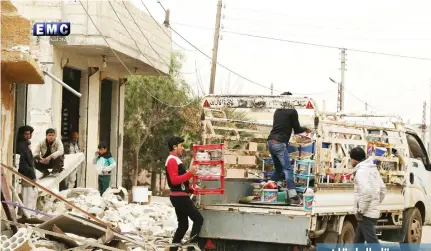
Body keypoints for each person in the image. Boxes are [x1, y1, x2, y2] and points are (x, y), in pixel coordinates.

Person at [267, 91, 311, 205]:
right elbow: (296, 129)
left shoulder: (277, 111)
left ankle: (267, 189)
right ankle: (293, 196)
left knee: (278, 169)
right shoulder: (292, 111)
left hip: (271, 142)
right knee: (288, 169)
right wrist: (306, 129)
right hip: (279, 143)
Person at [165, 136, 202, 251]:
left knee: (183, 225)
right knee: (198, 219)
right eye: (181, 146)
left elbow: (182, 183)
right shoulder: (172, 159)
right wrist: (190, 173)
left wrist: (193, 190)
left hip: (179, 196)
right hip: (180, 197)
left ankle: (173, 249)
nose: (183, 148)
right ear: (174, 147)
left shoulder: (176, 159)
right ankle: (191, 248)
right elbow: (174, 180)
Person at [350, 146, 387, 244]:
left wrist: (361, 210)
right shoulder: (372, 169)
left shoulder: (361, 171)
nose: (350, 161)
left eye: (351, 159)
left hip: (366, 214)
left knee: (373, 242)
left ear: (355, 160)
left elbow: (367, 192)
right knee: (358, 241)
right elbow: (383, 189)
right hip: (370, 212)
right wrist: (375, 203)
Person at [16, 126, 38, 216]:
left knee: (31, 195)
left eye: (29, 134)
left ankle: (28, 214)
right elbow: (22, 162)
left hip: (29, 174)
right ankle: (26, 215)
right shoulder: (20, 145)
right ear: (22, 134)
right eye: (26, 134)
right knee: (26, 197)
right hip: (25, 175)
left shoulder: (26, 144)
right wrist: (31, 173)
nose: (28, 136)